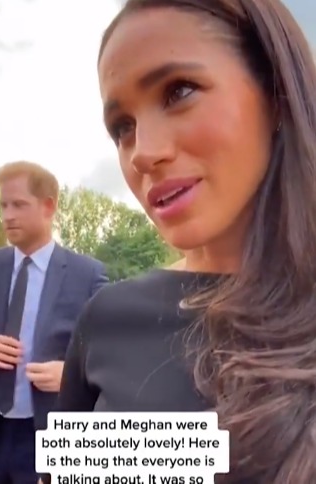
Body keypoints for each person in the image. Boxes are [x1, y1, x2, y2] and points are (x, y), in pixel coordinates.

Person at [55, 1, 316, 483]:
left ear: (276, 93)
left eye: (179, 91)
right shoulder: (109, 319)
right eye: (123, 128)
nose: (143, 154)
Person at [0, 161, 109, 484]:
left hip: (49, 438)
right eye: (3, 205)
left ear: (48, 206)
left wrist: (73, 374)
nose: (7, 215)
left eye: (18, 204)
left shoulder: (87, 274)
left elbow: (115, 351)